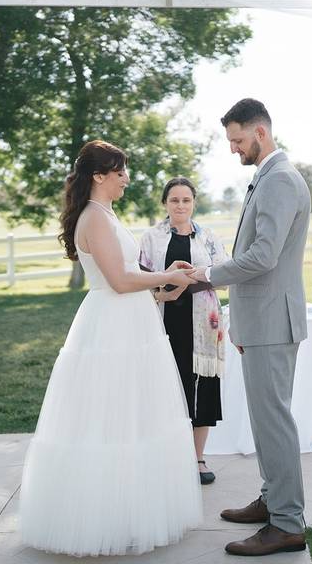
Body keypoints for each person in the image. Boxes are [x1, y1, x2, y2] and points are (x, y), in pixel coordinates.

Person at [19, 140, 203, 557]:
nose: (126, 178)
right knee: (112, 419)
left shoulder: (105, 213)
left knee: (134, 416)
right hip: (112, 329)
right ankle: (106, 520)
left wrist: (165, 280)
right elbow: (119, 282)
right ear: (99, 176)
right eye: (119, 171)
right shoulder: (95, 218)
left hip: (130, 321)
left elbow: (129, 275)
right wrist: (164, 279)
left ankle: (131, 511)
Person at [190, 99, 312, 556]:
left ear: (260, 132)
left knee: (273, 421)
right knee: (265, 421)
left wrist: (207, 274)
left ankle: (286, 523)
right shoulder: (268, 176)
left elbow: (264, 256)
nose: (233, 149)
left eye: (237, 140)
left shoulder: (279, 179)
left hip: (271, 322)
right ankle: (272, 501)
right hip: (260, 321)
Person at [139, 177, 229, 486]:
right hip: (165, 319)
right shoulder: (151, 237)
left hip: (204, 322)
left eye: (186, 200)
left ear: (194, 203)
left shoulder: (208, 237)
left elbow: (224, 275)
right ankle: (168, 456)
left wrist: (182, 284)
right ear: (165, 203)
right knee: (168, 386)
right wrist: (171, 285)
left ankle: (198, 458)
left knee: (202, 389)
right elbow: (142, 276)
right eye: (174, 199)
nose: (180, 205)